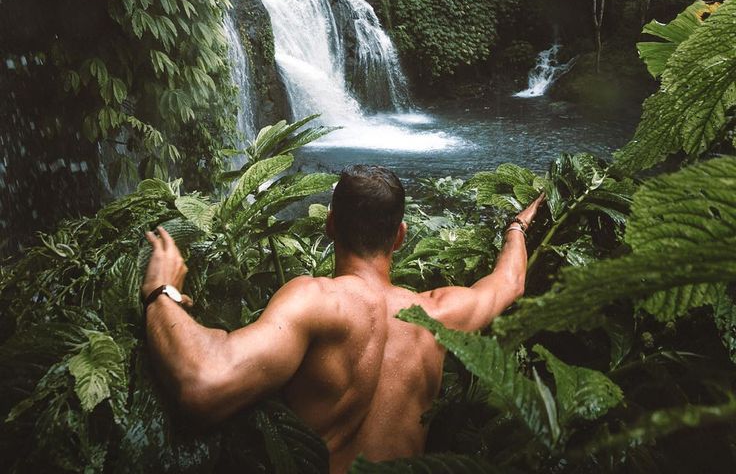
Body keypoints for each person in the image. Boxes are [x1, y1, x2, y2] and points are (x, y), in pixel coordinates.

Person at [142, 164, 545, 474]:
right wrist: (517, 226)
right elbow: (509, 282)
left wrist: (161, 291)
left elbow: (205, 384)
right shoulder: (438, 316)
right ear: (400, 236)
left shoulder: (317, 301)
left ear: (331, 225)